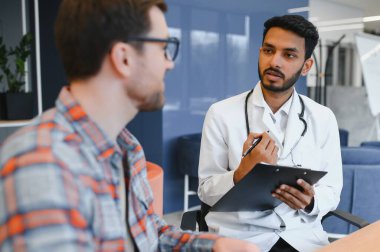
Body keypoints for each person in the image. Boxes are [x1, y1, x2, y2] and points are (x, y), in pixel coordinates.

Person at [0, 0, 259, 251]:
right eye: (163, 48)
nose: (169, 63)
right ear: (123, 58)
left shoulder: (127, 148)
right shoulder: (40, 165)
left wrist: (215, 246)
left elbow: (149, 234)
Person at [198, 15, 342, 252]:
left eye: (289, 55)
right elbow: (206, 191)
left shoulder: (323, 117)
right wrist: (241, 174)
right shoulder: (221, 113)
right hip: (242, 238)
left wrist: (311, 201)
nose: (274, 61)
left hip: (301, 238)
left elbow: (332, 190)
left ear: (306, 66)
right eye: (268, 50)